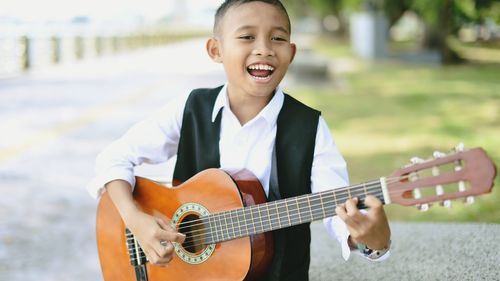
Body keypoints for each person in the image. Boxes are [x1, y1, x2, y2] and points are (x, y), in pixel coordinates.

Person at [87, 0, 391, 280]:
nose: (264, 49)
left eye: (278, 38)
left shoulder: (309, 127)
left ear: (292, 53)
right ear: (215, 50)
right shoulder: (191, 108)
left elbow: (339, 213)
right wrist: (136, 220)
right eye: (247, 37)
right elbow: (113, 159)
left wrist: (370, 240)